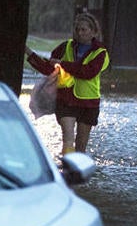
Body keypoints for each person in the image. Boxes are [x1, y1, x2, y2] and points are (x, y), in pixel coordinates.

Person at [26, 11, 109, 154]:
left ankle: (77, 170)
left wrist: (63, 64)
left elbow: (88, 72)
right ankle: (67, 168)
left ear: (93, 32)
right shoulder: (65, 47)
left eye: (84, 30)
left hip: (88, 102)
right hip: (66, 100)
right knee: (68, 138)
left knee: (81, 145)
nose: (80, 33)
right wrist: (29, 53)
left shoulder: (100, 53)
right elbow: (48, 68)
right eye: (77, 29)